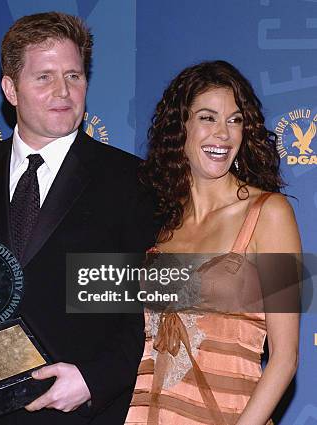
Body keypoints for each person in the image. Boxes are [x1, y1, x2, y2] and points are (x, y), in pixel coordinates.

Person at [0, 12, 156, 425]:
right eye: (44, 77)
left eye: (74, 76)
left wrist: (94, 381)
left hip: (81, 413)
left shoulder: (131, 181)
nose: (63, 91)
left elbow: (150, 310)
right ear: (11, 88)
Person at [125, 61, 300, 424]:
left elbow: (285, 358)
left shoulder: (269, 214)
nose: (223, 134)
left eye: (234, 121)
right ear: (181, 127)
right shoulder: (160, 224)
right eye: (208, 118)